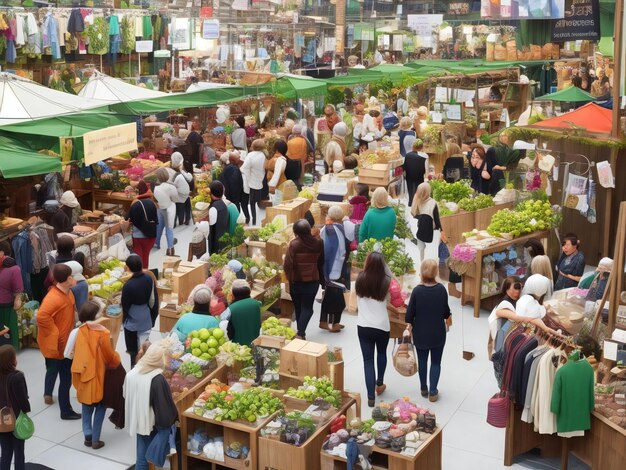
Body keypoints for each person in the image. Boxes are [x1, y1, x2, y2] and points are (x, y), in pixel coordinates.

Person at [71, 301, 121, 450]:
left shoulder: (80, 330)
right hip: (100, 376)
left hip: (84, 376)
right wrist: (117, 358)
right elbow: (109, 356)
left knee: (86, 408)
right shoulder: (102, 333)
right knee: (101, 407)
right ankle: (95, 440)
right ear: (95, 316)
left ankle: (87, 435)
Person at [123, 341, 178, 470]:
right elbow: (165, 414)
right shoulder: (157, 379)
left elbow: (125, 394)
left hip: (137, 421)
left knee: (141, 458)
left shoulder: (132, 372)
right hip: (152, 426)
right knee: (149, 458)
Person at [36, 264, 81, 418]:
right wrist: (55, 332)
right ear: (65, 279)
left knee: (54, 370)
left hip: (65, 342)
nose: (73, 279)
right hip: (59, 346)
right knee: (64, 377)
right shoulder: (53, 298)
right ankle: (65, 411)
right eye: (71, 277)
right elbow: (41, 317)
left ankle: (49, 394)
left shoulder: (68, 292)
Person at [405, 259, 451, 402]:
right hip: (438, 333)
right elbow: (446, 312)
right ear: (436, 272)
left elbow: (409, 316)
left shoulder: (417, 291)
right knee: (436, 362)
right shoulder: (441, 289)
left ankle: (423, 387)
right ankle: (433, 391)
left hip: (420, 333)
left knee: (423, 361)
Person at [355, 252, 391, 407]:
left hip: (363, 326)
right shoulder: (386, 281)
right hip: (382, 325)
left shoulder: (360, 279)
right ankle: (380, 384)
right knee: (382, 353)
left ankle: (370, 397)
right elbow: (393, 300)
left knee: (367, 361)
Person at [284, 219, 325, 340]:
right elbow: (321, 262)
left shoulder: (294, 244)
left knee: (298, 307)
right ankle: (301, 332)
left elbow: (288, 265)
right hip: (313, 280)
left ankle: (300, 333)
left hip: (296, 281)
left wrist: (289, 279)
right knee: (307, 307)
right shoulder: (319, 242)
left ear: (295, 231)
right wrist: (322, 280)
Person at [320, 206, 355, 332]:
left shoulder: (324, 229)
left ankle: (323, 321)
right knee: (337, 295)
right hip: (340, 266)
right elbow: (351, 239)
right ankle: (334, 323)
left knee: (329, 292)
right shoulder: (345, 227)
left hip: (326, 266)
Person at [121, 255, 159, 368]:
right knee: (144, 344)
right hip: (145, 316)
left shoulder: (128, 285)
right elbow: (152, 300)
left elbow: (125, 305)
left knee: (133, 349)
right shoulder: (148, 278)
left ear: (128, 268)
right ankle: (146, 365)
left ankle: (134, 366)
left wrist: (124, 319)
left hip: (133, 319)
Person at [0, 344, 30, 470]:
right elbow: (23, 401)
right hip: (16, 419)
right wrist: (26, 409)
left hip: (2, 420)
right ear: (11, 360)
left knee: (5, 453)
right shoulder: (17, 376)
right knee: (19, 452)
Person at [487, 277, 529, 359]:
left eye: (519, 288)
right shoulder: (505, 304)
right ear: (506, 288)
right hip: (502, 336)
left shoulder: (514, 301)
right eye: (515, 288)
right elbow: (503, 329)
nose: (517, 291)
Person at [125, 180, 158, 269]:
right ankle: (146, 271)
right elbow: (156, 219)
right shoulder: (152, 202)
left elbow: (128, 218)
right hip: (151, 236)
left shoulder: (135, 203)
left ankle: (139, 273)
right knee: (146, 257)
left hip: (138, 236)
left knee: (138, 258)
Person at [411, 182, 447, 263]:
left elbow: (414, 214)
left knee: (422, 249)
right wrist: (441, 230)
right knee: (432, 252)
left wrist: (422, 216)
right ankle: (431, 266)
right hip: (431, 231)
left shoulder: (418, 201)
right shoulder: (433, 202)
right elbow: (436, 218)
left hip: (420, 230)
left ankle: (422, 264)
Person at [0, 241, 23, 351]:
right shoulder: (14, 269)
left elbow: (18, 288)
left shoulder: (13, 268)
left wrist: (18, 299)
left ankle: (8, 350)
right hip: (5, 302)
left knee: (7, 329)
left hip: (7, 305)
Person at [226, 280, 261, 346]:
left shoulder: (231, 309)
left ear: (233, 293)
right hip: (256, 343)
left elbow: (228, 331)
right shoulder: (256, 304)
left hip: (239, 348)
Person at [240, 139, 266, 226]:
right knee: (254, 203)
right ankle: (255, 221)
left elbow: (244, 168)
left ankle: (251, 220)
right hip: (259, 181)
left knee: (249, 203)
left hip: (250, 182)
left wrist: (247, 176)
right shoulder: (263, 155)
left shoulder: (251, 155)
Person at [153, 167, 178, 256]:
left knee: (159, 226)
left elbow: (155, 200)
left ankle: (156, 243)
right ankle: (170, 248)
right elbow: (175, 199)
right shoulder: (171, 187)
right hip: (170, 208)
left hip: (160, 208)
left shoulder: (156, 188)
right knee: (169, 228)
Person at [170, 152, 192, 227]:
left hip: (182, 195)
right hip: (181, 196)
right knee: (182, 209)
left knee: (182, 208)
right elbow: (189, 178)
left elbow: (189, 178)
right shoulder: (177, 173)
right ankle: (182, 222)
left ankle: (183, 221)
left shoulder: (178, 171)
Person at [208, 181, 230, 255]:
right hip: (223, 239)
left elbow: (212, 228)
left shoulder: (213, 208)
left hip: (216, 243)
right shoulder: (223, 204)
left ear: (212, 193)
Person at [404, 140, 428, 206]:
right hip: (419, 176)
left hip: (409, 176)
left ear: (413, 146)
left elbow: (405, 167)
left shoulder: (407, 155)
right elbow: (426, 169)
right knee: (418, 189)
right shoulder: (425, 156)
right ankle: (418, 203)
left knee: (410, 189)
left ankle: (410, 202)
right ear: (421, 147)